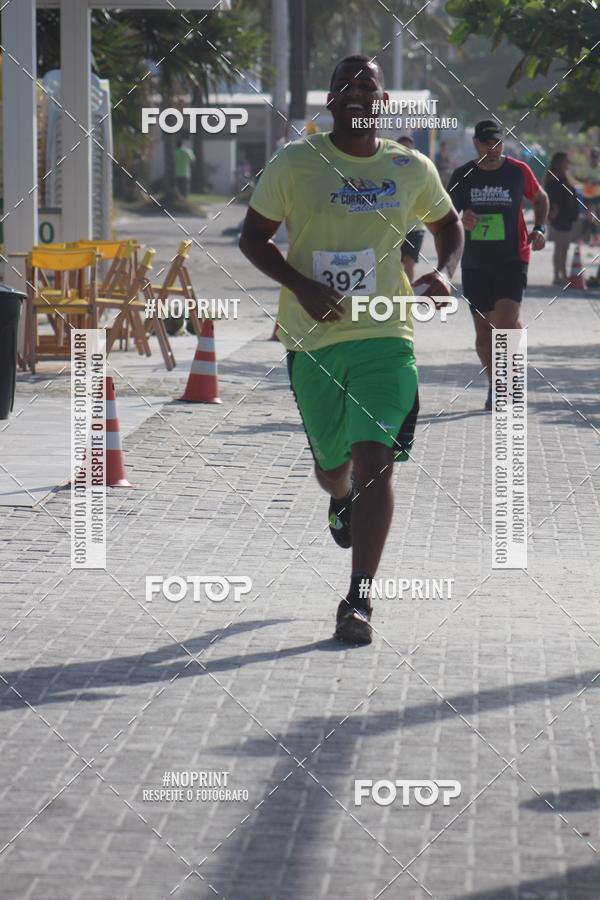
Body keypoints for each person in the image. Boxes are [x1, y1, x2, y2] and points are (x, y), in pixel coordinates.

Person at [239, 54, 463, 645]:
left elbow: (448, 224)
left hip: (387, 337)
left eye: (369, 84)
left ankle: (358, 599)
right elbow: (252, 238)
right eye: (347, 85)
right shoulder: (295, 163)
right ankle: (340, 499)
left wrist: (444, 271)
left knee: (375, 460)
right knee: (333, 468)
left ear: (383, 100)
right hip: (313, 339)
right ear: (332, 100)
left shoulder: (409, 167)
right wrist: (301, 286)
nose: (359, 92)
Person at [447, 120, 549, 410]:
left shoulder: (518, 170)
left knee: (503, 320)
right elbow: (445, 215)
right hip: (475, 261)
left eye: (497, 143)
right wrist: (462, 218)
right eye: (486, 143)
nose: (493, 149)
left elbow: (540, 197)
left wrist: (539, 228)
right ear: (476, 144)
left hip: (512, 257)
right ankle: (496, 384)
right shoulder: (462, 175)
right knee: (484, 333)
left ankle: (511, 381)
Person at [544, 152, 580, 285]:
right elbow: (551, 195)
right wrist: (553, 209)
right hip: (558, 216)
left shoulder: (566, 177)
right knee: (560, 247)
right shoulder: (553, 178)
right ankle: (557, 275)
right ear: (559, 162)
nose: (568, 164)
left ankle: (563, 273)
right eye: (566, 161)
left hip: (568, 216)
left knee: (565, 247)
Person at [396, 135, 426, 283]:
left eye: (408, 149)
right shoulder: (388, 171)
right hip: (394, 227)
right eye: (401, 148)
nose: (405, 152)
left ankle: (408, 294)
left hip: (415, 227)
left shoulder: (421, 170)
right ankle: (395, 292)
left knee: (409, 263)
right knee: (395, 264)